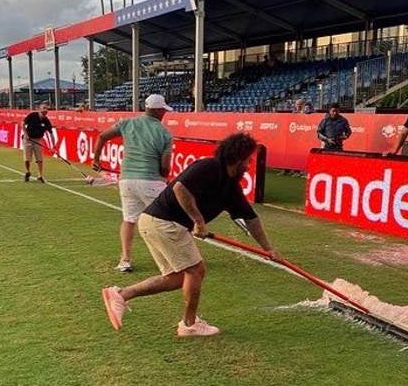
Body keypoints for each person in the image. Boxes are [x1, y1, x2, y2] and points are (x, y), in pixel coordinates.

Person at [100, 133, 279, 337]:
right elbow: (180, 189)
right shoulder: (209, 167)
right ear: (237, 159)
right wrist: (199, 221)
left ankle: (121, 294)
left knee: (176, 279)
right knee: (196, 270)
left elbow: (251, 220)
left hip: (156, 224)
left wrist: (268, 250)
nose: (248, 166)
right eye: (247, 161)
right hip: (163, 222)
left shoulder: (231, 188)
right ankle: (189, 324)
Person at [93, 94, 174, 273]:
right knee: (166, 220)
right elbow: (165, 167)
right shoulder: (164, 133)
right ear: (159, 111)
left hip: (127, 180)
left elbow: (102, 136)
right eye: (164, 111)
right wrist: (165, 175)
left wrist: (96, 159)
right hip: (151, 180)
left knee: (129, 220)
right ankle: (172, 258)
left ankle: (125, 260)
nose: (165, 114)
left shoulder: (127, 123)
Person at [22, 102, 53, 183]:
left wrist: (53, 146)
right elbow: (22, 124)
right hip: (28, 139)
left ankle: (40, 175)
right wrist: (26, 134)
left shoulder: (46, 120)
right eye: (44, 108)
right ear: (39, 109)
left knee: (39, 159)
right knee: (27, 159)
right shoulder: (32, 115)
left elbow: (51, 133)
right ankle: (27, 172)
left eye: (47, 109)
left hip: (38, 140)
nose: (45, 110)